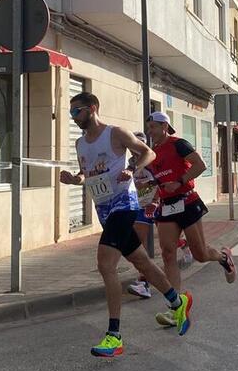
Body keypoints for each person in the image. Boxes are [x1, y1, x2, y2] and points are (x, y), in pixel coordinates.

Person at [60, 94, 192, 357]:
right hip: (103, 208)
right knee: (142, 262)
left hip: (124, 203)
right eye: (71, 113)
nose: (73, 117)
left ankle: (114, 335)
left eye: (77, 112)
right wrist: (74, 180)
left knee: (105, 264)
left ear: (93, 109)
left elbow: (148, 152)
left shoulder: (115, 134)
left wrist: (132, 168)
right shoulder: (79, 144)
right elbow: (88, 173)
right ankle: (178, 302)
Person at [146, 111, 237, 329]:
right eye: (148, 128)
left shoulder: (179, 144)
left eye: (153, 127)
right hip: (167, 207)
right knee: (168, 253)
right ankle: (175, 306)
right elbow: (158, 180)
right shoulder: (151, 153)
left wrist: (179, 182)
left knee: (200, 254)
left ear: (164, 127)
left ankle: (224, 257)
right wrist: (153, 195)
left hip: (187, 201)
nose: (150, 132)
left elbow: (200, 165)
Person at [128, 132, 156, 299]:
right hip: (138, 204)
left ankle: (144, 282)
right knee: (139, 242)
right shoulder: (131, 163)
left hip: (151, 204)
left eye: (138, 145)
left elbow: (158, 180)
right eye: (132, 146)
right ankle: (144, 281)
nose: (134, 150)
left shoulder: (151, 160)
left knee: (139, 242)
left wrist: (156, 200)